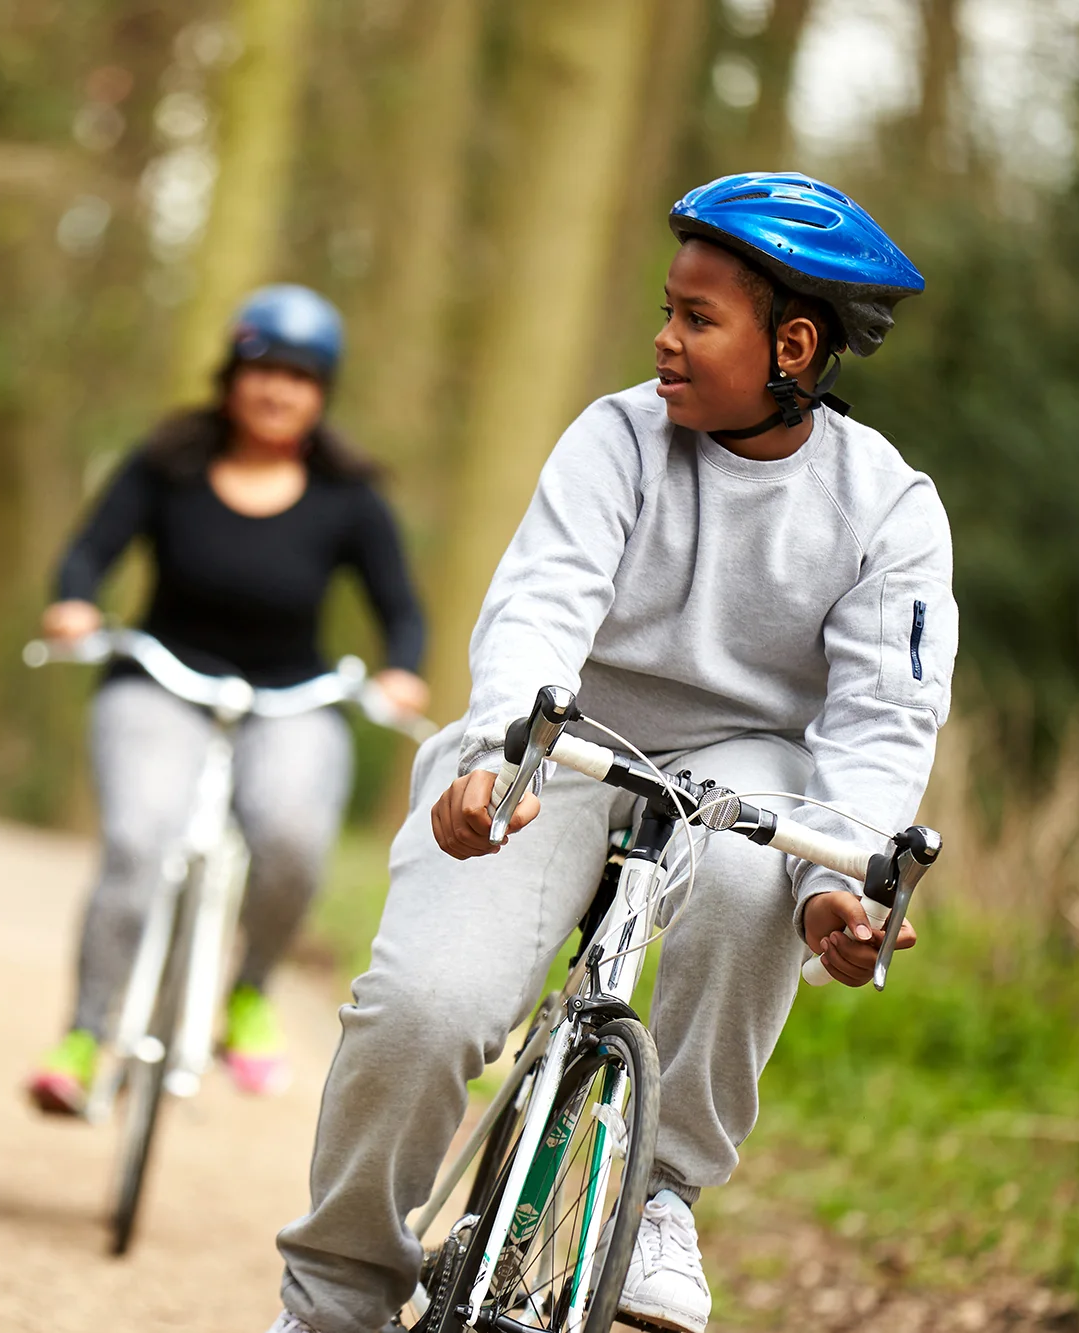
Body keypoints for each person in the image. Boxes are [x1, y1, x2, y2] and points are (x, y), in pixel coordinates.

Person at [264, 173, 954, 1333]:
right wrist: (493, 753)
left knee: (756, 864)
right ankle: (333, 1292)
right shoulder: (616, 437)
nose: (662, 337)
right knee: (422, 1012)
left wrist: (843, 877)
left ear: (790, 343)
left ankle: (659, 1192)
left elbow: (881, 717)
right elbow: (538, 608)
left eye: (695, 317)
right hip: (561, 747)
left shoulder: (887, 509)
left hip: (743, 774)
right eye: (666, 308)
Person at [28, 284, 430, 1113]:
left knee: (291, 836)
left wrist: (401, 667)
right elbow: (87, 554)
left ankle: (247, 992)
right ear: (231, 376)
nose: (279, 391)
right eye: (264, 370)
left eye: (303, 377)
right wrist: (74, 604)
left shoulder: (350, 496)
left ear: (324, 393)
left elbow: (402, 608)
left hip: (292, 697)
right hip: (160, 679)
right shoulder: (166, 463)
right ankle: (84, 1032)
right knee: (139, 842)